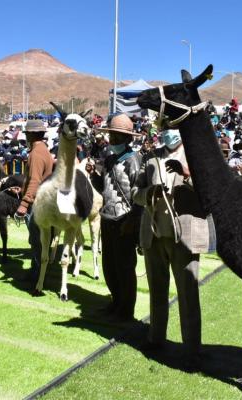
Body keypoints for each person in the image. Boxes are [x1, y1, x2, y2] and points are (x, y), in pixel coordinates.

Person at [132, 128, 209, 366]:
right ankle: (156, 338)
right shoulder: (150, 157)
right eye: (163, 126)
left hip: (183, 236)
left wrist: (186, 174)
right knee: (157, 289)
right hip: (154, 234)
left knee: (188, 293)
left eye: (172, 126)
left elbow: (209, 190)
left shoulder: (197, 155)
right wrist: (148, 194)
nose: (168, 132)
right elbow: (135, 192)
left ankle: (192, 349)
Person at [89, 114, 143, 321]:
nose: (112, 139)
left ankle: (126, 310)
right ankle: (115, 302)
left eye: (117, 136)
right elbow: (104, 189)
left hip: (124, 219)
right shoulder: (110, 159)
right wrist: (94, 175)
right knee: (109, 265)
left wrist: (133, 222)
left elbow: (138, 195)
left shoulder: (133, 161)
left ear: (127, 139)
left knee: (125, 267)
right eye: (112, 135)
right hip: (108, 217)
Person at [15, 120, 53, 282]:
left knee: (37, 240)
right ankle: (37, 270)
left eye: (27, 133)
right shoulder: (43, 150)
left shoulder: (36, 153)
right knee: (40, 239)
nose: (26, 135)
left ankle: (37, 274)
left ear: (31, 134)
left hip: (36, 204)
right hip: (43, 201)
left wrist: (24, 203)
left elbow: (35, 180)